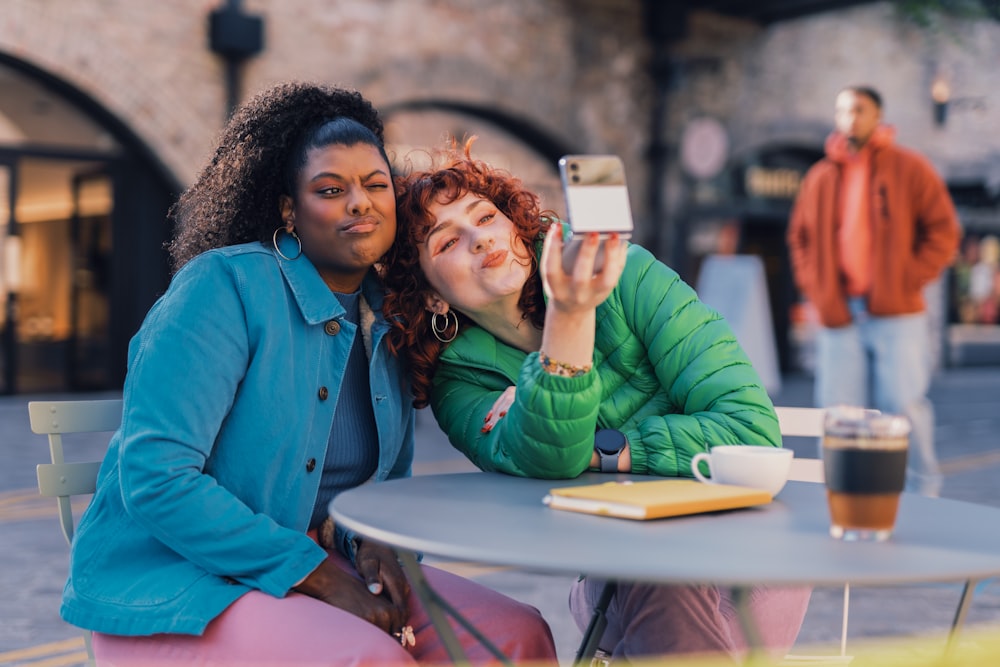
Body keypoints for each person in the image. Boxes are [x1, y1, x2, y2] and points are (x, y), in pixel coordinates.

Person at [59, 83, 556, 666]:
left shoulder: (391, 314)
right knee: (367, 657)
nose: (359, 203)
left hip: (316, 571)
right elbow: (156, 477)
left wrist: (368, 543)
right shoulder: (222, 290)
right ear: (289, 210)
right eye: (330, 189)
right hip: (179, 588)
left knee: (516, 636)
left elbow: (386, 478)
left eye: (376, 185)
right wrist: (316, 572)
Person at [381, 141, 811, 664]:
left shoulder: (628, 273)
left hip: (746, 556)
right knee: (652, 564)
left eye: (487, 216)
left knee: (656, 572)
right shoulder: (458, 379)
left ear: (515, 224)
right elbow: (551, 457)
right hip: (616, 571)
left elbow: (750, 429)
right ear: (430, 295)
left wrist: (604, 449)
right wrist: (570, 315)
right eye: (447, 242)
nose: (479, 238)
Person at [787, 86, 962, 497]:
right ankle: (837, 494)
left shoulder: (910, 168)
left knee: (905, 407)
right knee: (836, 413)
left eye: (859, 110)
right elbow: (800, 238)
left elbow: (944, 230)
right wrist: (817, 289)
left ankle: (923, 493)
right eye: (842, 110)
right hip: (839, 311)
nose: (849, 118)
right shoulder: (820, 176)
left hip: (897, 312)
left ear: (877, 116)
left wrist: (908, 278)